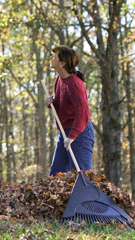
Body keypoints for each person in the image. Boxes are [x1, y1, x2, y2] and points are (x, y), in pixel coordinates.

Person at [45, 45, 94, 176]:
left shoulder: (75, 84)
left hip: (80, 133)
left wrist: (72, 136)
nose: (51, 57)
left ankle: (87, 197)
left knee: (80, 176)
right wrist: (53, 102)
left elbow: (83, 113)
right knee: (56, 175)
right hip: (65, 131)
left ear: (62, 63)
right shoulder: (59, 79)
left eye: (54, 56)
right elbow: (65, 102)